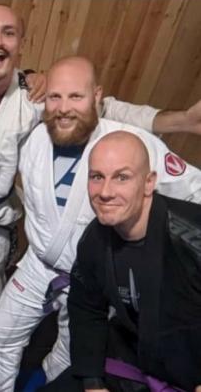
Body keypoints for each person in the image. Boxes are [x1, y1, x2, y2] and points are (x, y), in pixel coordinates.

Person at [0, 3, 201, 354]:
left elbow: (102, 109)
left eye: (8, 33)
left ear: (21, 44)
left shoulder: (35, 98)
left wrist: (180, 121)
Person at [0, 56, 201, 391]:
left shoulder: (129, 145)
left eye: (76, 97)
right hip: (38, 266)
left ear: (97, 96)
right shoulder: (33, 140)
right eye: (55, 97)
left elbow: (194, 189)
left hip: (93, 278)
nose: (63, 108)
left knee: (68, 359)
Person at [38, 130, 201, 392]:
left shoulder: (193, 234)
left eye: (121, 177)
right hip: (135, 362)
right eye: (97, 177)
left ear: (149, 183)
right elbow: (86, 308)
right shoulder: (94, 240)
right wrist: (92, 381)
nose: (105, 192)